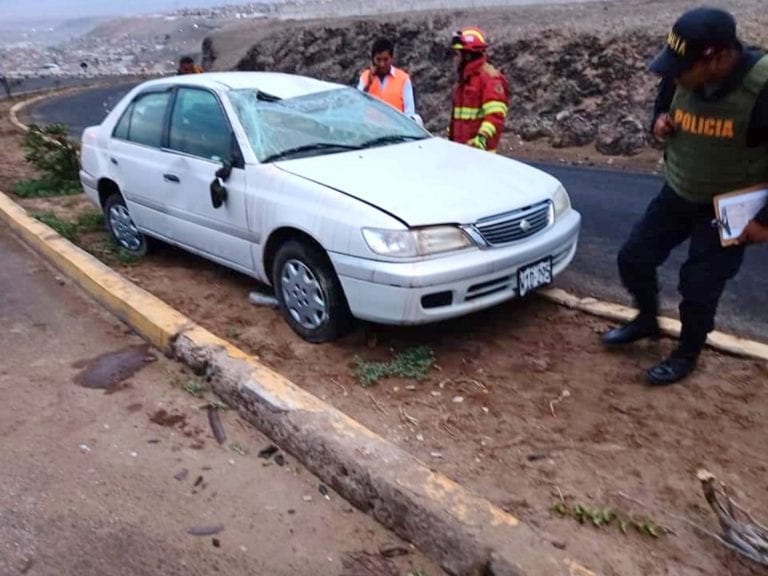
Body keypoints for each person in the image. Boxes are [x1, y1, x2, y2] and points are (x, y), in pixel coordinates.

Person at [602, 6, 768, 385]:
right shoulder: (681, 74)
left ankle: (686, 353)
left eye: (684, 68)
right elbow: (664, 106)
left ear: (720, 58)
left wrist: (763, 222)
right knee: (633, 258)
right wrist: (659, 123)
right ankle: (647, 320)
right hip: (679, 189)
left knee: (698, 288)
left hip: (727, 207)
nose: (675, 75)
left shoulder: (762, 88)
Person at [448, 27, 509, 152]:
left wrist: (481, 138)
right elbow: (458, 120)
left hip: (480, 156)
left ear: (468, 56)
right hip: (460, 152)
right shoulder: (465, 80)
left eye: (457, 54)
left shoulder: (490, 79)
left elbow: (495, 116)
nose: (455, 59)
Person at [357, 37, 416, 117]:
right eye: (378, 60)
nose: (382, 64)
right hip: (370, 128)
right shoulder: (364, 78)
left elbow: (409, 112)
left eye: (385, 60)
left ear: (391, 58)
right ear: (373, 59)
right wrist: (368, 84)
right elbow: (358, 105)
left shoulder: (403, 79)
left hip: (395, 128)